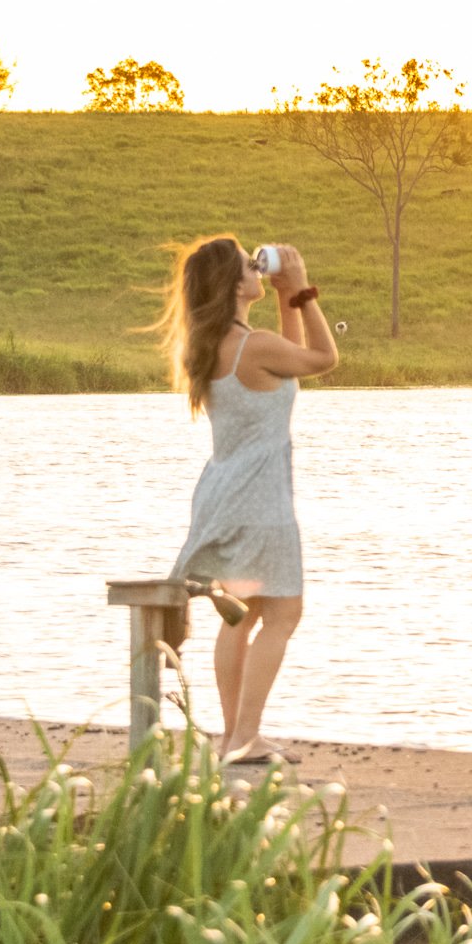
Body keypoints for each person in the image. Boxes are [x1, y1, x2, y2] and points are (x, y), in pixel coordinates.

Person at [151, 234, 337, 761]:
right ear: (234, 284)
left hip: (220, 499)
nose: (257, 269)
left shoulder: (210, 347)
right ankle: (246, 735)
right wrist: (303, 291)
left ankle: (234, 737)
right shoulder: (255, 347)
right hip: (262, 506)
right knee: (283, 615)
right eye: (247, 267)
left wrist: (284, 300)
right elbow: (322, 357)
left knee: (241, 616)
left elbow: (292, 360)